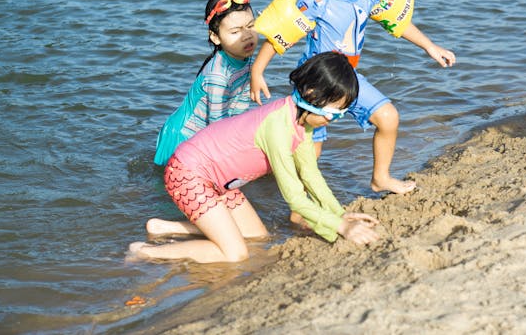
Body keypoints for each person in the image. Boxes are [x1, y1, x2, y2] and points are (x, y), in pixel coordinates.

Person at [250, 0, 456, 195]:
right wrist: (257, 71)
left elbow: (396, 21)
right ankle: (293, 202)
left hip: (348, 77)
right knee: (312, 151)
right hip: (317, 82)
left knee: (388, 117)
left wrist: (430, 46)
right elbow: (281, 36)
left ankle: (380, 178)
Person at [128, 52, 380, 264]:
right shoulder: (279, 126)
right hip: (188, 174)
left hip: (219, 182)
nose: (331, 120)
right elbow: (294, 198)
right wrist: (342, 228)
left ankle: (163, 228)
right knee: (235, 254)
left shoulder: (302, 123)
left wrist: (339, 215)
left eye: (339, 114)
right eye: (332, 113)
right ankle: (144, 251)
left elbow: (311, 174)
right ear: (312, 94)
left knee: (258, 237)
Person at [153, 0, 258, 166]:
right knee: (170, 188)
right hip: (183, 138)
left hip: (205, 136)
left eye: (251, 26)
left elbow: (240, 106)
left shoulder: (243, 58)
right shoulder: (218, 76)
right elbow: (217, 125)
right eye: (235, 31)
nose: (246, 35)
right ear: (215, 37)